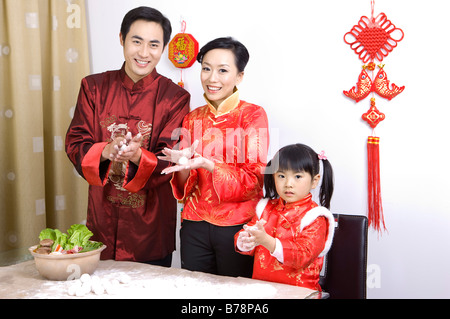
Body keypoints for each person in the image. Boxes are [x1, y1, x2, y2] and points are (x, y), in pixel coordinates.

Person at [65, 7, 190, 267]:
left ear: (163, 48)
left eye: (154, 44)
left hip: (151, 228)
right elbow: (76, 141)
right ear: (122, 39)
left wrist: (138, 156)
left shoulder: (175, 98)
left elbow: (174, 159)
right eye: (136, 41)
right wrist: (104, 151)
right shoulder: (93, 87)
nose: (144, 53)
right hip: (102, 220)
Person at [159, 37, 269, 277]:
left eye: (222, 70)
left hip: (238, 226)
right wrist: (183, 166)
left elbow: (255, 180)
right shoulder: (192, 118)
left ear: (239, 76)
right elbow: (185, 188)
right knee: (194, 293)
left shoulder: (252, 116)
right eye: (206, 68)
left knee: (235, 295)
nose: (212, 78)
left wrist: (210, 165)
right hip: (193, 225)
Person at [235, 143, 335, 290]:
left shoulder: (315, 217)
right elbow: (249, 233)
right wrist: (245, 240)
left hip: (299, 293)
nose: (288, 184)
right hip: (262, 290)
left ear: (314, 181)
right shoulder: (265, 207)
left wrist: (266, 240)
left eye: (298, 176)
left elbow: (302, 255)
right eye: (281, 176)